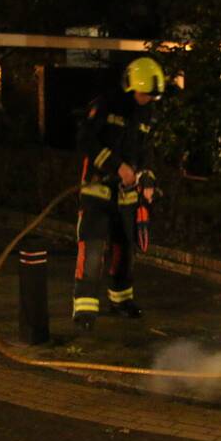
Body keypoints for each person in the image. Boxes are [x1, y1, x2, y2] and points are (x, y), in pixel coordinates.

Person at [71, 57, 164, 331]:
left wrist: (147, 177)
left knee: (125, 250)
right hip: (97, 191)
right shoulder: (105, 106)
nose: (148, 99)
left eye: (152, 95)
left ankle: (121, 300)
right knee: (92, 248)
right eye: (145, 93)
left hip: (127, 195)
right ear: (130, 87)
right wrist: (116, 165)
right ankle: (84, 309)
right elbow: (85, 140)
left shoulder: (147, 113)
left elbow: (146, 151)